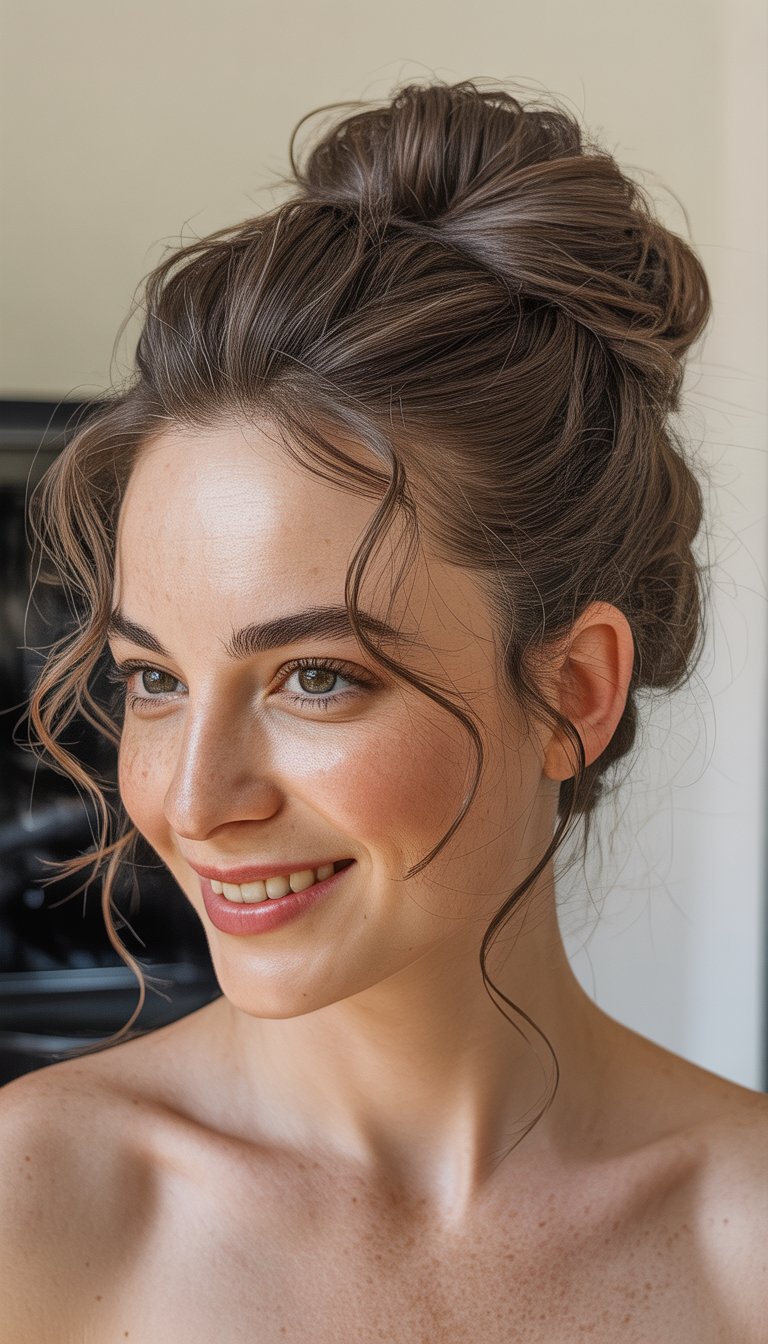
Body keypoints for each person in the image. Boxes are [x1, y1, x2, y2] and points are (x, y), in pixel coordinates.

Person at [1, 80, 766, 1343]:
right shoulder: (48, 1211)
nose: (193, 802)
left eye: (316, 679)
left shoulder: (742, 1250)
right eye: (154, 680)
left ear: (573, 691)